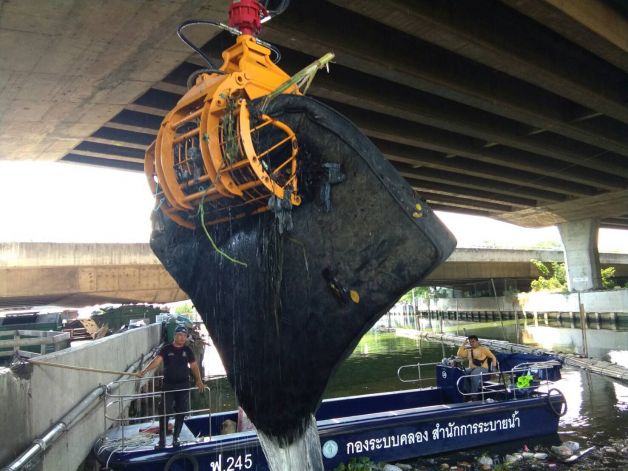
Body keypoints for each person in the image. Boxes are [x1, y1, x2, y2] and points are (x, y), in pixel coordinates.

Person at [138, 325, 204, 448]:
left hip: (183, 386)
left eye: (184, 336)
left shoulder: (188, 350)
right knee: (164, 412)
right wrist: (145, 371)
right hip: (168, 386)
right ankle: (162, 440)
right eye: (180, 335)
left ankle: (176, 438)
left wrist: (199, 380)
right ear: (175, 336)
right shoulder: (166, 349)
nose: (182, 338)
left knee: (181, 412)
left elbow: (194, 366)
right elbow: (157, 361)